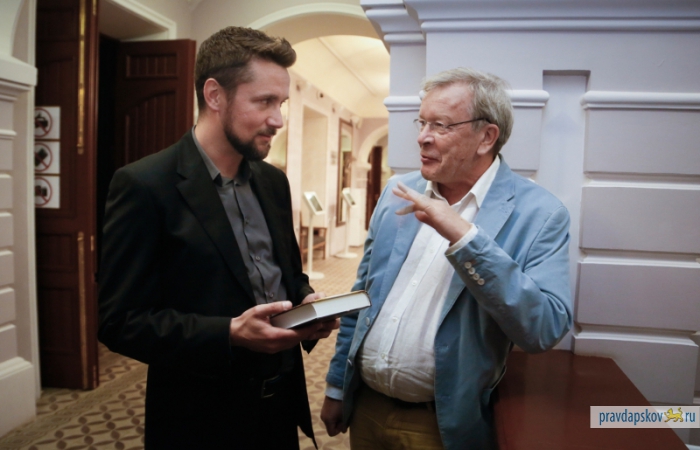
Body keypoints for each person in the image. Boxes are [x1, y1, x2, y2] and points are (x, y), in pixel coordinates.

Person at [98, 26, 338, 450]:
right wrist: (229, 332)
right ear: (214, 95)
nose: (278, 120)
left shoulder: (273, 182)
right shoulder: (145, 185)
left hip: (280, 407)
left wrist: (306, 303)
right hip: (199, 419)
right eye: (264, 101)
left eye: (281, 103)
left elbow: (289, 274)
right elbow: (120, 322)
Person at [321, 67, 573, 449]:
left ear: (486, 137)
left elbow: (544, 328)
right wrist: (337, 385)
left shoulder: (540, 214)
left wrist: (465, 238)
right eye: (422, 122)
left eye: (440, 125)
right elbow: (362, 295)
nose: (423, 137)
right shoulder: (397, 191)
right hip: (367, 408)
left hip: (442, 426)